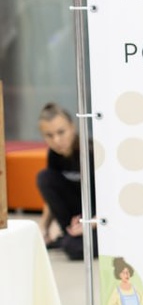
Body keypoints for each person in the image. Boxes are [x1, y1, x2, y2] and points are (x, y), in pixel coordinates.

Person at [35, 102, 95, 260]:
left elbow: (112, 200)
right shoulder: (54, 155)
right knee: (44, 177)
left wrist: (90, 223)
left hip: (98, 219)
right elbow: (51, 197)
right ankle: (68, 234)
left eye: (61, 132)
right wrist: (43, 228)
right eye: (49, 135)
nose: (56, 140)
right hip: (75, 218)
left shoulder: (90, 152)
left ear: (72, 127)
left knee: (73, 248)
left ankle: (70, 239)